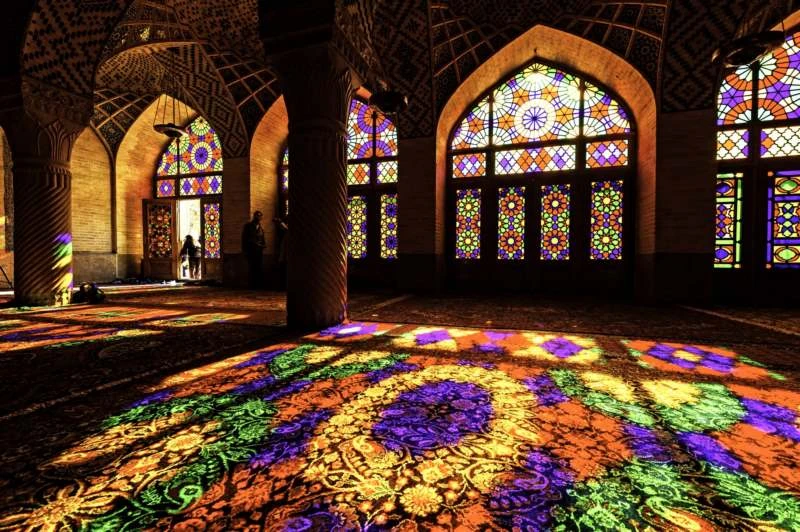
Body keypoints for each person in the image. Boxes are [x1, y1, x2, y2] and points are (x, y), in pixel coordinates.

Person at [242, 211, 266, 288]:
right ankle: (251, 284)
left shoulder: (260, 227)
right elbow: (244, 238)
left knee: (258, 267)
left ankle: (258, 284)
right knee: (252, 267)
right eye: (258, 216)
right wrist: (244, 250)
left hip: (259, 251)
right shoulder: (248, 226)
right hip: (251, 250)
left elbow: (262, 238)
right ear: (254, 216)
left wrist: (263, 245)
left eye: (260, 216)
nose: (259, 218)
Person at [274, 216, 288, 289]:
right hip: (284, 256)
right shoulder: (285, 235)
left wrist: (280, 222)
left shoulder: (287, 232)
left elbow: (286, 229)